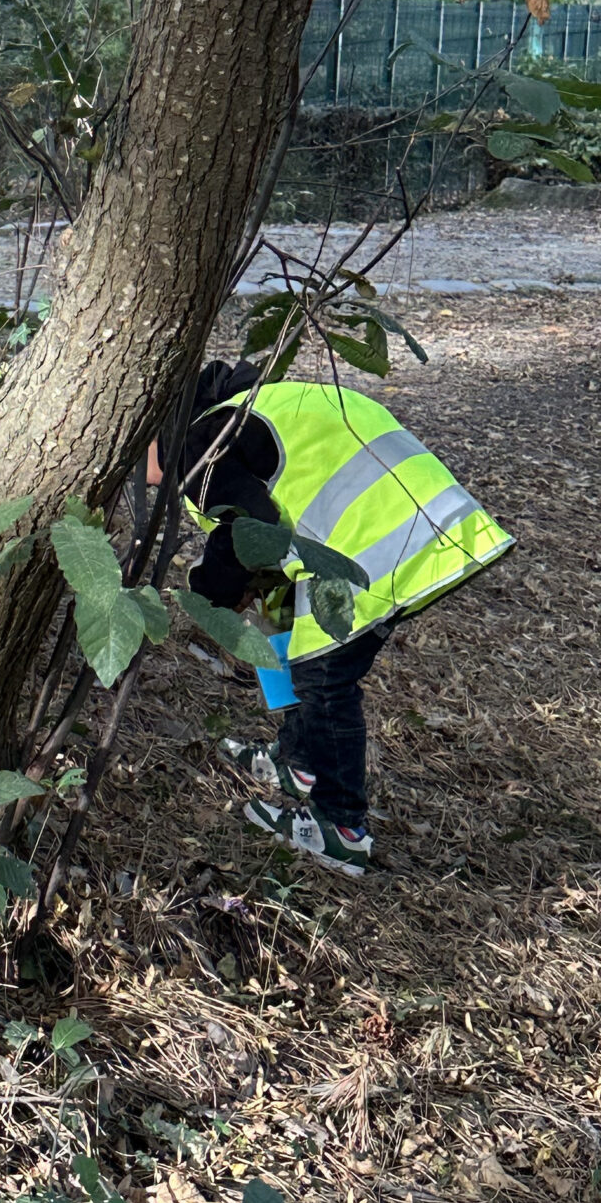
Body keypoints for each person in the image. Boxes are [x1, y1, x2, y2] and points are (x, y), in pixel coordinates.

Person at [173, 361, 512, 875]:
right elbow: (274, 564)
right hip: (422, 527)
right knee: (301, 648)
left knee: (325, 680)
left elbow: (249, 531)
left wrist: (209, 593)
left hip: (377, 545)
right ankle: (297, 763)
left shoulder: (201, 441)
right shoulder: (258, 405)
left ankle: (340, 828)